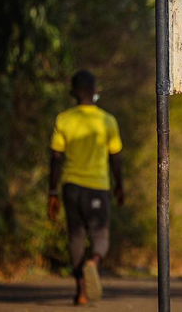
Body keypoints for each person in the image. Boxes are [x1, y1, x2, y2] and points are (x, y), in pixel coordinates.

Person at [47, 70, 124, 305]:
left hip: (71, 187)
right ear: (95, 91)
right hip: (98, 186)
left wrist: (52, 191)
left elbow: (56, 158)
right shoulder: (107, 120)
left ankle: (81, 291)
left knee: (76, 236)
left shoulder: (64, 120)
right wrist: (120, 185)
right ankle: (94, 261)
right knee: (100, 234)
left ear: (73, 93)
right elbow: (115, 157)